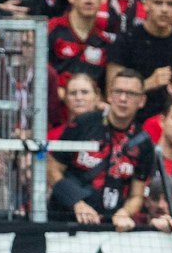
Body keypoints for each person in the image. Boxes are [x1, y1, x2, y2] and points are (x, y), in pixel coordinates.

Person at [49, 67, 148, 225]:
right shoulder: (83, 124)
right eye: (118, 92)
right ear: (109, 95)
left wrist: (124, 213)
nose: (123, 98)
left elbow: (137, 195)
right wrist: (76, 203)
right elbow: (52, 168)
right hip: (65, 219)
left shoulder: (143, 142)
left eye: (131, 94)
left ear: (142, 100)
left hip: (110, 226)